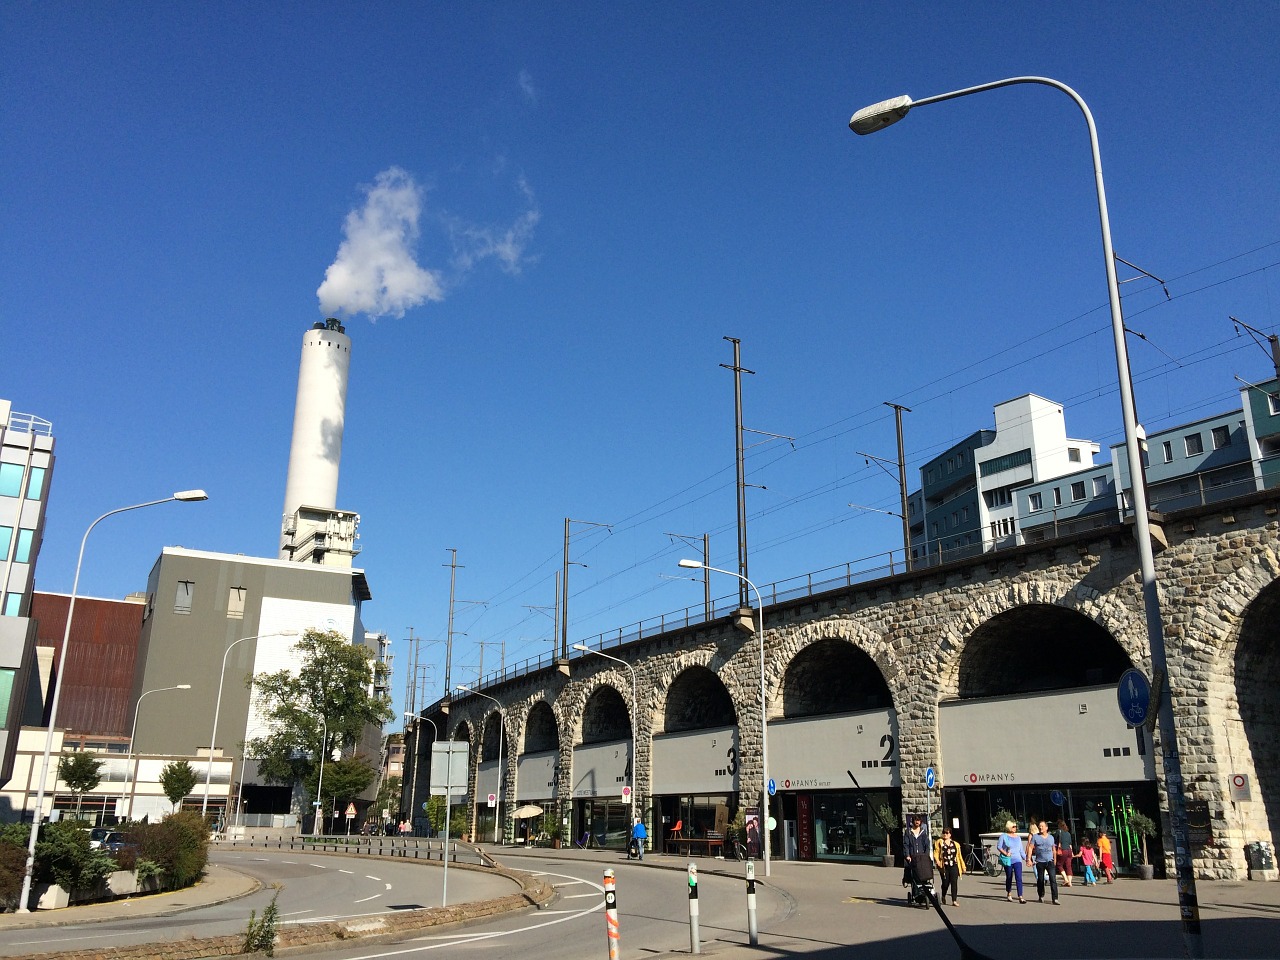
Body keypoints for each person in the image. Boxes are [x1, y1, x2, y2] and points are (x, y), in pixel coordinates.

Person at [1028, 820, 1061, 904]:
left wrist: (1055, 860)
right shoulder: (1035, 837)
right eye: (1039, 826)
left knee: (1053, 879)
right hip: (1040, 861)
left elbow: (1053, 849)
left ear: (1046, 828)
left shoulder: (1051, 837)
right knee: (1040, 879)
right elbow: (1030, 847)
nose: (1040, 827)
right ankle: (1041, 895)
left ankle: (1055, 898)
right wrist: (1029, 859)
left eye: (1042, 826)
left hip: (1050, 861)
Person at [933, 826, 966, 906]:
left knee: (954, 882)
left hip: (954, 866)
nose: (945, 834)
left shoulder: (956, 844)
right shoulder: (939, 842)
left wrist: (963, 866)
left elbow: (959, 856)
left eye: (947, 833)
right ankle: (943, 895)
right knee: (945, 883)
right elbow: (936, 852)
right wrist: (937, 860)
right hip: (944, 867)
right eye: (944, 833)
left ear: (950, 834)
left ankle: (954, 900)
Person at [996, 820, 1026, 903]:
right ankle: (1009, 893)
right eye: (1013, 826)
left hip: (1017, 860)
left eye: (1016, 826)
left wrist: (1026, 859)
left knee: (1019, 877)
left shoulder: (1018, 837)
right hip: (1008, 860)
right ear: (1009, 827)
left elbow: (1021, 850)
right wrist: (1005, 853)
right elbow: (999, 847)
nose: (1015, 828)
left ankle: (1020, 896)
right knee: (1009, 877)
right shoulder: (1004, 836)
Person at [902, 815, 931, 896]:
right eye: (915, 820)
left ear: (920, 822)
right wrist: (907, 855)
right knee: (914, 876)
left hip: (922, 857)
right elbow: (906, 845)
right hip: (912, 856)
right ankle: (916, 894)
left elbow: (927, 845)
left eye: (918, 820)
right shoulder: (908, 832)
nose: (917, 822)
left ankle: (925, 893)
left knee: (924, 875)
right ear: (913, 821)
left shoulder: (923, 832)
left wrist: (926, 855)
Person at [1055, 819, 1074, 887]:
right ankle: (1070, 882)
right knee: (1068, 866)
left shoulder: (1058, 831)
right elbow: (1070, 844)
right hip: (1069, 850)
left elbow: (1055, 840)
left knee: (1059, 865)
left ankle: (1066, 879)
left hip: (1063, 850)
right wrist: (1072, 853)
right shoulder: (1068, 833)